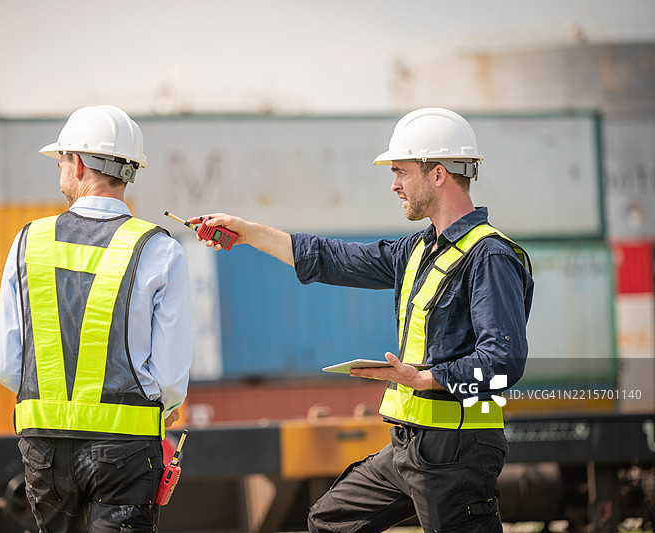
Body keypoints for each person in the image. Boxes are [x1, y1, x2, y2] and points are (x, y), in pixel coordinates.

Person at [189, 108, 534, 533]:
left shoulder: (490, 256)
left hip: (457, 451)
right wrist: (247, 232)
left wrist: (425, 378)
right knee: (330, 522)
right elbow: (332, 259)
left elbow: (503, 360)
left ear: (439, 174)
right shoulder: (417, 250)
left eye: (401, 172)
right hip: (410, 445)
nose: (394, 184)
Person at [0, 105, 193, 532]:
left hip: (44, 448)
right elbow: (171, 378)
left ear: (77, 164)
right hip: (125, 450)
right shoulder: (159, 249)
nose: (60, 168)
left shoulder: (29, 241)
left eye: (62, 159)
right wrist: (163, 406)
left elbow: (8, 365)